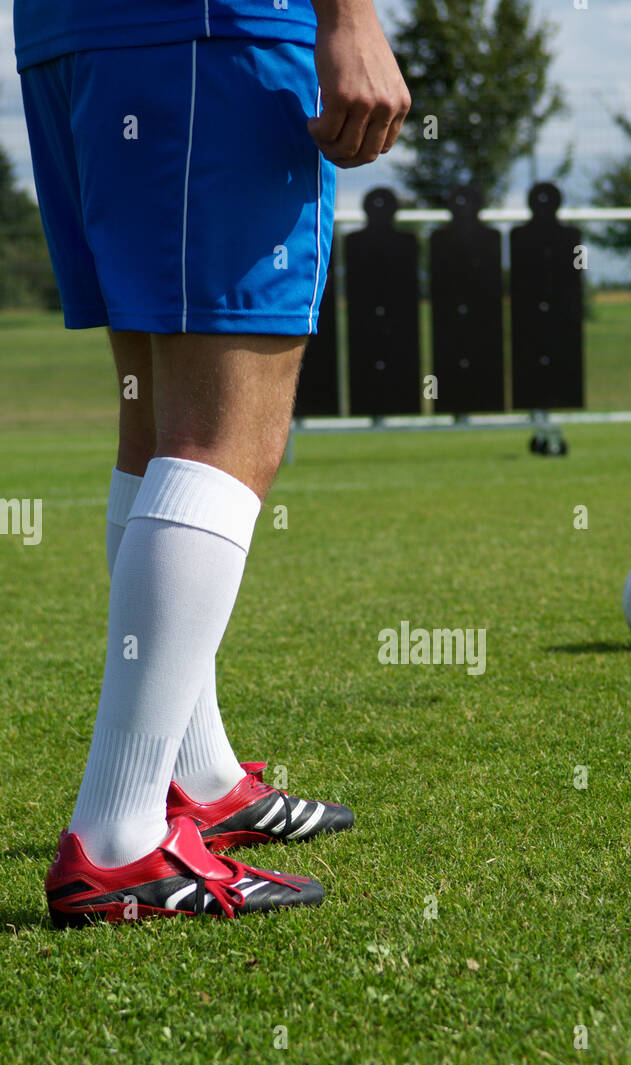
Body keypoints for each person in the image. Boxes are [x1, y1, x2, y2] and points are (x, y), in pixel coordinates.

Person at [12, 0, 411, 925]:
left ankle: (196, 773)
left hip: (77, 41)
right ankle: (117, 843)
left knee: (155, 423)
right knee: (227, 435)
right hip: (210, 30)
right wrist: (351, 14)